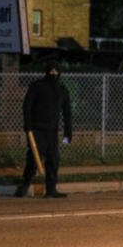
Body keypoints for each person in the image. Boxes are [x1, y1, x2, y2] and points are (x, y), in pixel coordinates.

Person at [15, 60, 73, 198]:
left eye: (56, 71)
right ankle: (25, 183)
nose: (53, 74)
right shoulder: (37, 86)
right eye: (51, 71)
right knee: (33, 159)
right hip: (37, 130)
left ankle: (51, 189)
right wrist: (28, 126)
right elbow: (27, 106)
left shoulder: (62, 90)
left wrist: (68, 132)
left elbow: (67, 112)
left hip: (52, 131)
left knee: (53, 160)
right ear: (47, 72)